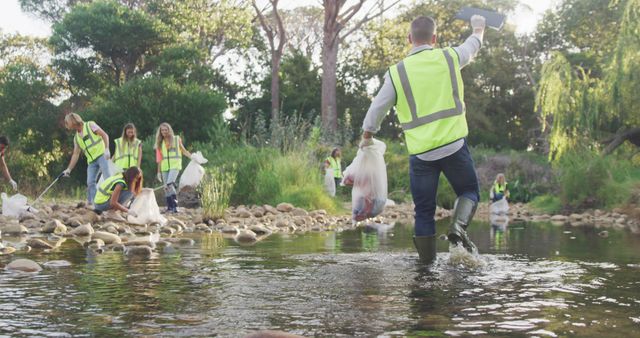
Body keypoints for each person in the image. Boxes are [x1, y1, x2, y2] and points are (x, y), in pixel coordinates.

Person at [359, 15, 487, 263]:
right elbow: (474, 44)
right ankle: (457, 228)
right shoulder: (449, 57)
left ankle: (426, 268)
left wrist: (367, 137)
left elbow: (376, 109)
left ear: (409, 39)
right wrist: (479, 28)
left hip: (422, 155)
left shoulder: (397, 73)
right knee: (469, 191)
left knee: (424, 212)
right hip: (454, 147)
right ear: (435, 38)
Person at [62, 113, 112, 207]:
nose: (67, 125)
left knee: (108, 178)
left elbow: (105, 135)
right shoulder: (76, 138)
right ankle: (97, 204)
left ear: (73, 121)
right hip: (92, 161)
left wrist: (107, 149)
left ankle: (113, 201)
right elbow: (76, 154)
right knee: (90, 182)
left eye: (67, 123)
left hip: (102, 155)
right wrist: (69, 169)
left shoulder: (90, 125)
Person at [154, 122, 191, 213]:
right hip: (164, 167)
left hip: (175, 165)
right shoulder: (160, 143)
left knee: (170, 184)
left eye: (166, 130)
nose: (164, 131)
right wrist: (158, 172)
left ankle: (175, 206)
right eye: (162, 130)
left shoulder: (176, 139)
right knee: (166, 187)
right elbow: (159, 159)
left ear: (169, 130)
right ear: (160, 131)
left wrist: (192, 157)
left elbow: (183, 150)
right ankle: (170, 207)